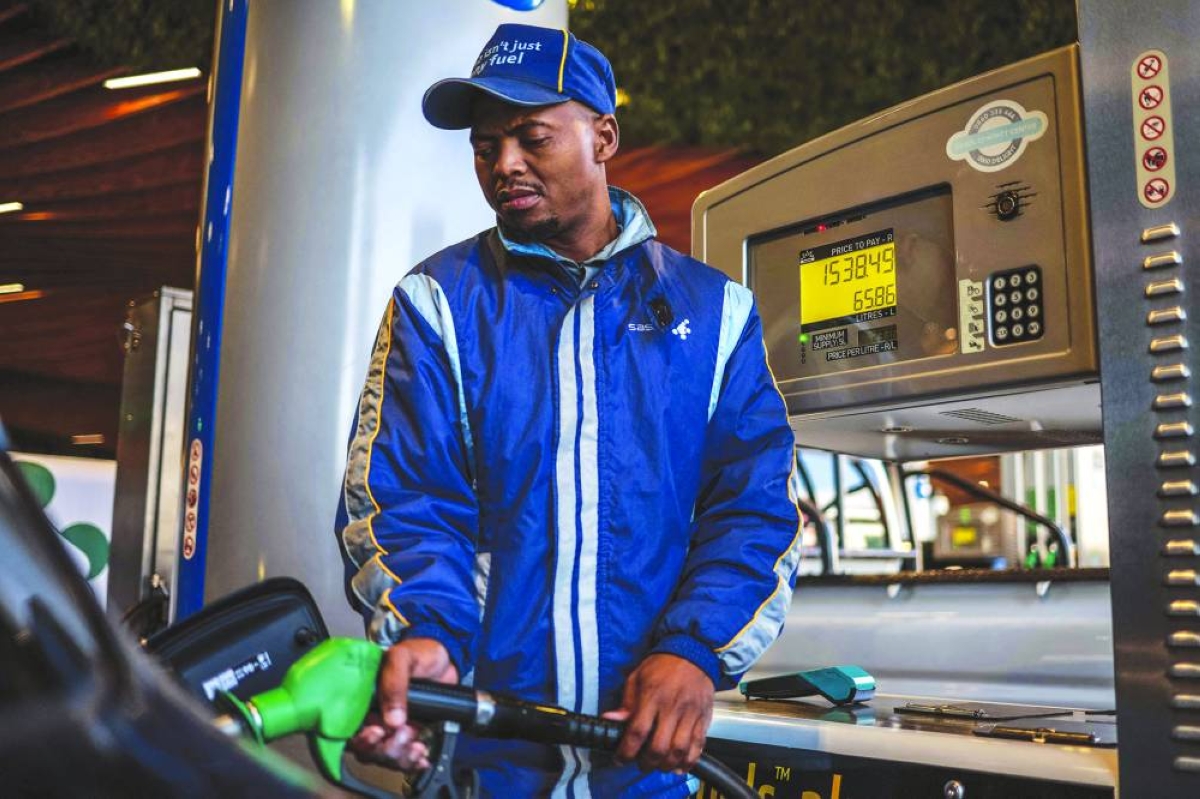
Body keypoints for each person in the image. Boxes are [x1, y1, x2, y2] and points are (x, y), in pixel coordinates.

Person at [335, 23, 800, 797]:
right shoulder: (438, 303)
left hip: (648, 770)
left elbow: (754, 508)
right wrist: (427, 632)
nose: (504, 164)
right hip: (480, 768)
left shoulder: (716, 313)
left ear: (603, 136)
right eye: (486, 147)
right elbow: (406, 500)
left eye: (532, 137)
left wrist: (693, 650)